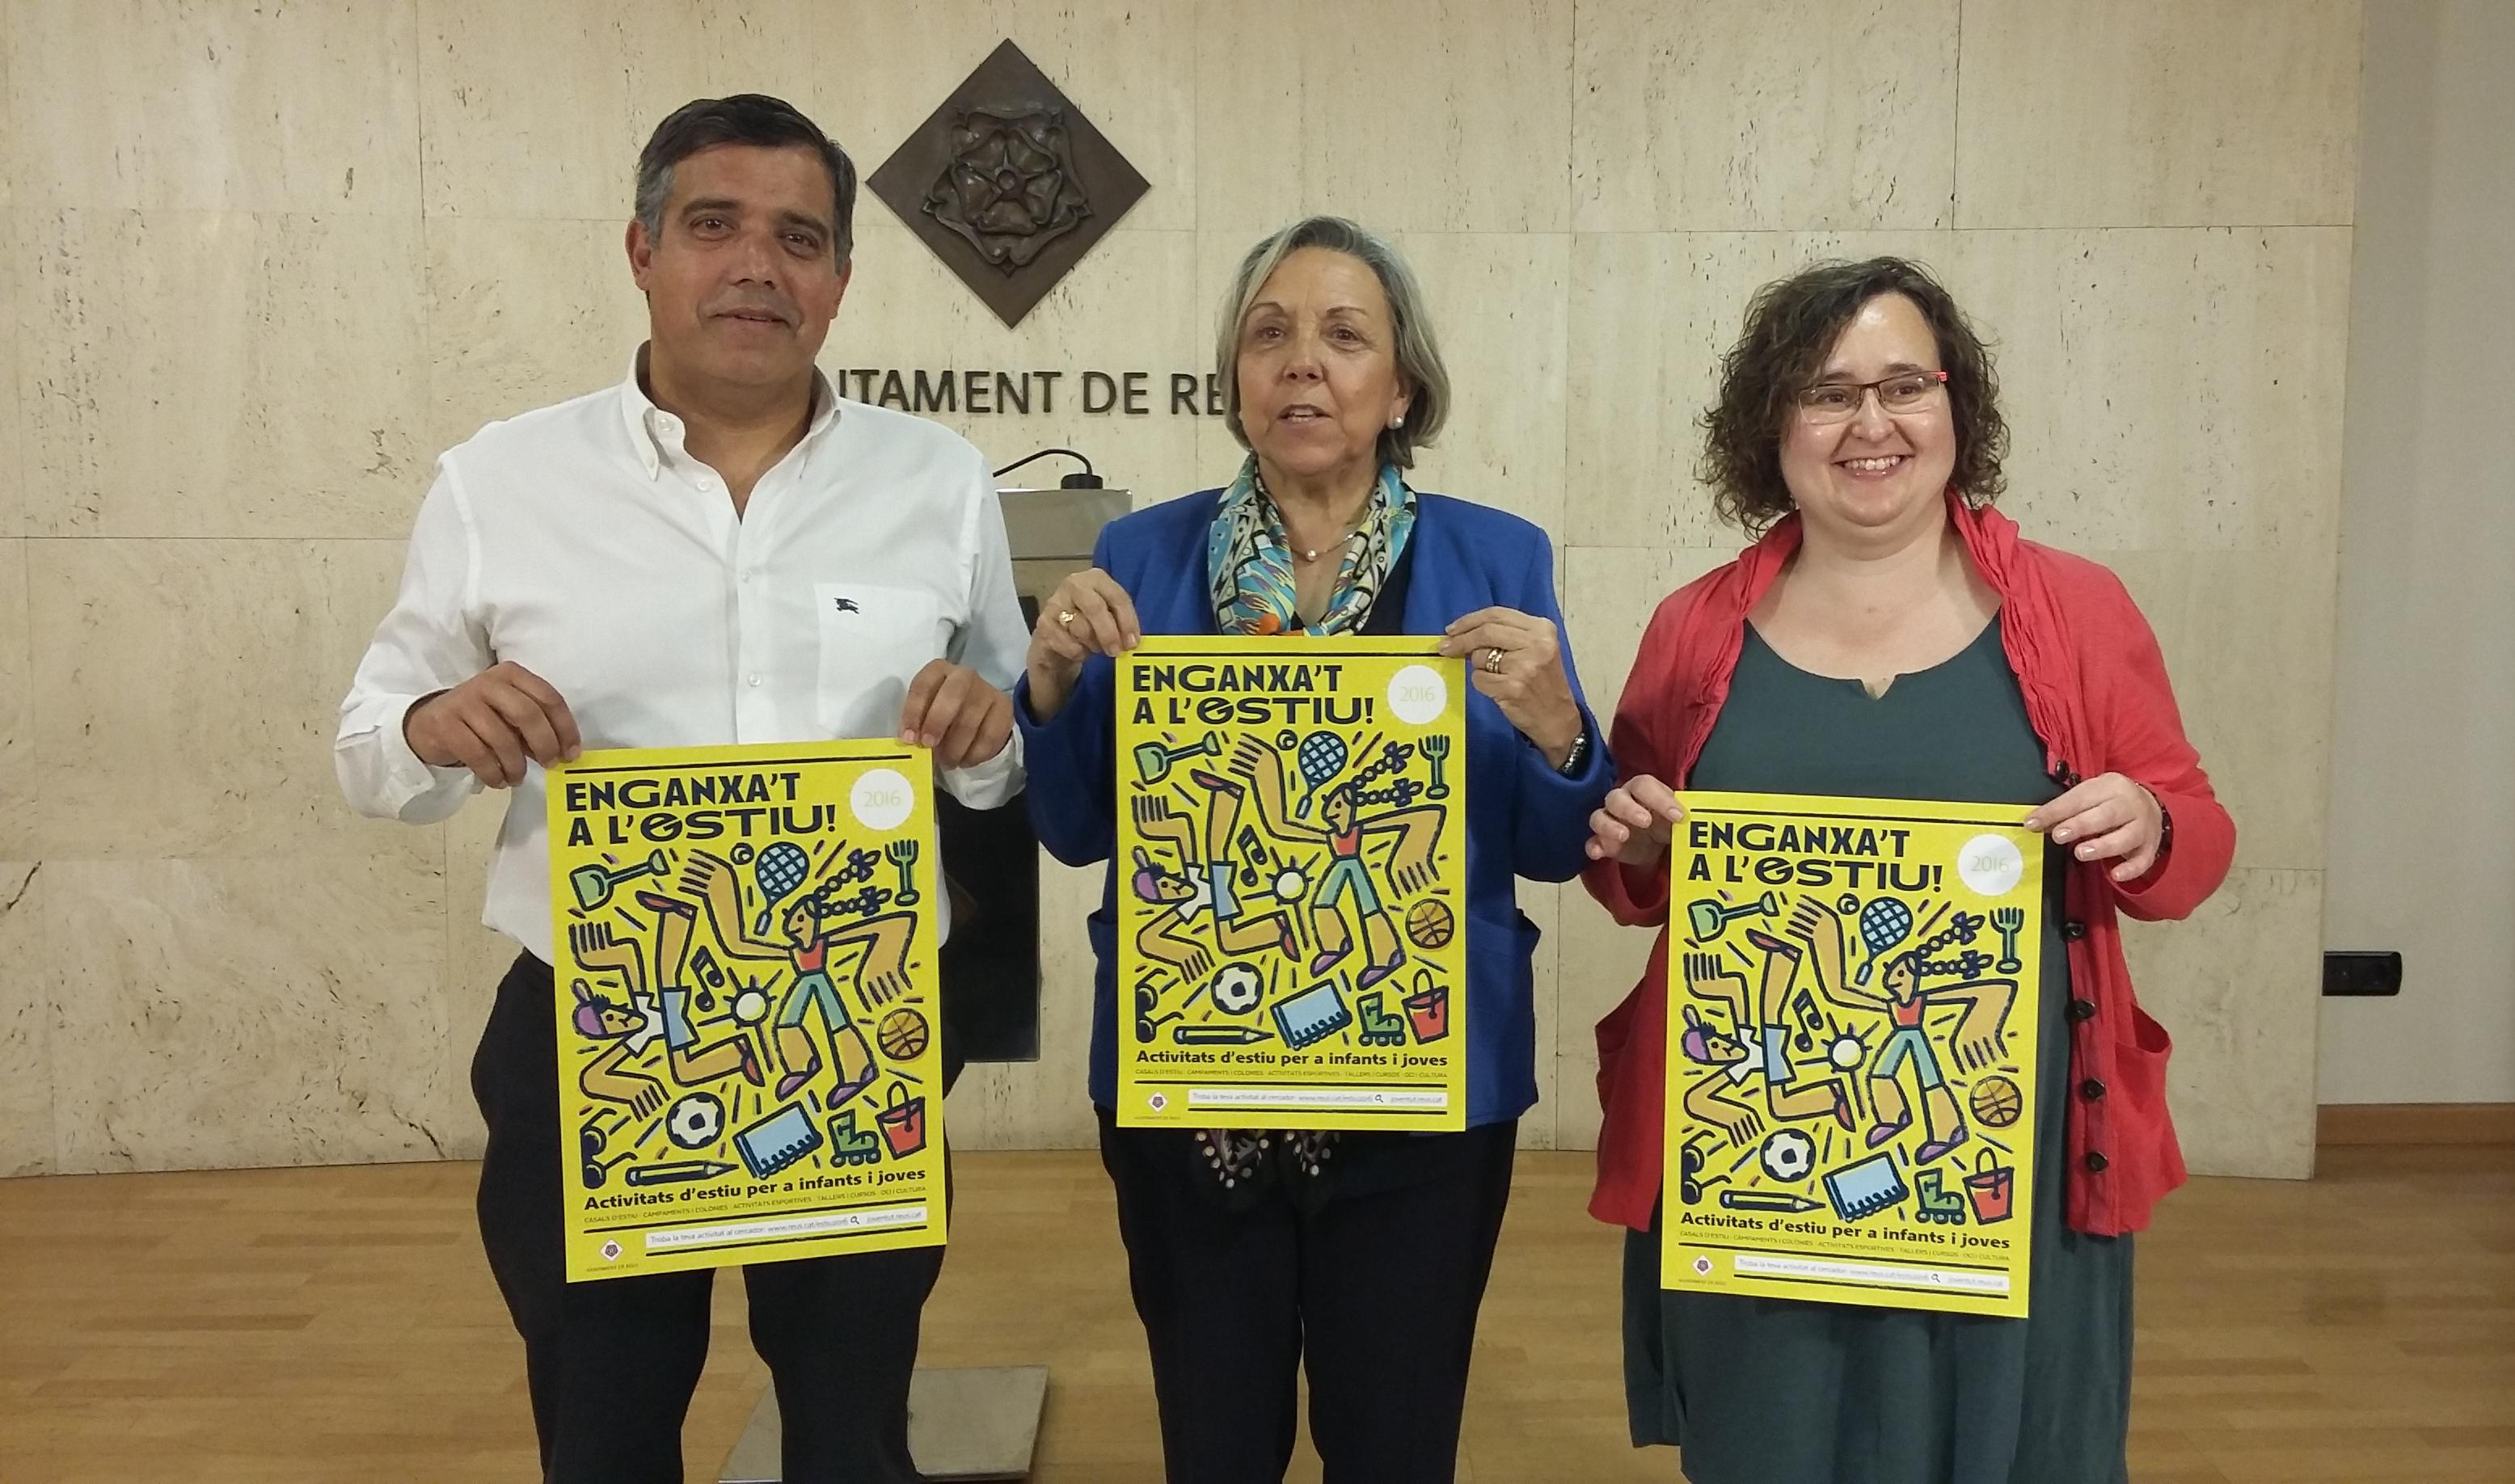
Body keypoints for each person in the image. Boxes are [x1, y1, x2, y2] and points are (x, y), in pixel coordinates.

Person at [334, 94, 1026, 1484]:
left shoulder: (940, 483)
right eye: (715, 225)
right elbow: (366, 746)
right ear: (642, 251)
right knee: (605, 1430)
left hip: (848, 1028)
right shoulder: (501, 482)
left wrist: (985, 737)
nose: (758, 265)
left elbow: (1004, 760)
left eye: (800, 238)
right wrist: (434, 724)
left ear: (840, 280)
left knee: (852, 1431)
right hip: (590, 1030)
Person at [1581, 257, 2234, 1483]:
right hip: (1762, 1159)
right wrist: (1637, 845)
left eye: (1902, 387)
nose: (1869, 424)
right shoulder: (1693, 628)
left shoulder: (2079, 611)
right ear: (1771, 424)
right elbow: (1634, 879)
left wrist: (2149, 821)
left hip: (2001, 1165)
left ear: (1955, 405)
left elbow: (2195, 837)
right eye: (1826, 393)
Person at [1015, 216, 1610, 1483]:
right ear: (1235, 380)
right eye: (1269, 334)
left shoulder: (1497, 558)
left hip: (1425, 1087)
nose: (1303, 361)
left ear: (1402, 389)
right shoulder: (1138, 556)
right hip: (1194, 1075)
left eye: (1345, 336)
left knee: (1394, 1443)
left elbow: (1554, 849)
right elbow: (1072, 831)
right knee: (1216, 1441)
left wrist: (1561, 728)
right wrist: (1051, 682)